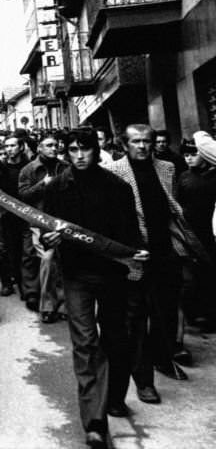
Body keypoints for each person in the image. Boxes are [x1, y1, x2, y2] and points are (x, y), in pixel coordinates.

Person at [41, 127, 147, 449]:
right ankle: (95, 422)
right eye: (72, 150)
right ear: (66, 152)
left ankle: (114, 397)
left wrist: (137, 254)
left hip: (112, 274)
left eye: (84, 149)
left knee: (115, 337)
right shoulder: (57, 187)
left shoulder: (118, 187)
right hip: (76, 275)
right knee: (85, 343)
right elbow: (45, 227)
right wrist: (49, 239)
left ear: (96, 150)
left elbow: (130, 232)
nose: (79, 156)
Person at [104, 124, 194, 402]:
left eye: (146, 141)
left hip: (165, 251)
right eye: (136, 141)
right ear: (124, 144)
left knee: (167, 312)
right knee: (136, 319)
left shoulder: (167, 168)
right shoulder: (113, 171)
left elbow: (172, 207)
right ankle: (144, 381)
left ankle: (163, 359)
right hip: (134, 255)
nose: (142, 146)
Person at [18, 130, 68, 324]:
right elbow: (23, 196)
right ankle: (47, 305)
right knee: (48, 261)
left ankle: (63, 305)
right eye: (49, 145)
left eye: (55, 145)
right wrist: (42, 185)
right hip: (39, 223)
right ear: (39, 148)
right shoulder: (29, 170)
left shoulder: (65, 167)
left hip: (63, 222)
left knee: (62, 262)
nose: (53, 149)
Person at [178, 136, 216, 333]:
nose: (189, 158)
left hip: (210, 231)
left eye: (193, 154)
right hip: (190, 232)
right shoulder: (184, 177)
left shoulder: (213, 176)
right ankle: (195, 313)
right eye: (186, 155)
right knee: (193, 276)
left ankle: (211, 316)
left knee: (211, 274)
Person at [0, 133, 39, 310]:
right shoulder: (1, 169)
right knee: (12, 251)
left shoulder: (29, 168)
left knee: (28, 253)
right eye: (6, 146)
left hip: (27, 215)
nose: (9, 149)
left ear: (21, 147)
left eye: (13, 145)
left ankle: (29, 291)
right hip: (8, 216)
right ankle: (18, 282)